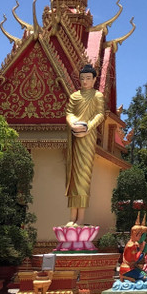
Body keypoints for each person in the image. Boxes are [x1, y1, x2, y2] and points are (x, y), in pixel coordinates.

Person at [65, 64, 106, 226]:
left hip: (87, 137)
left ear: (94, 80)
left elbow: (100, 114)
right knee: (73, 177)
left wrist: (88, 127)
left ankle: (80, 218)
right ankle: (71, 217)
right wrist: (73, 124)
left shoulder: (97, 96)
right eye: (82, 78)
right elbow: (69, 113)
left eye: (88, 78)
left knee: (83, 177)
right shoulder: (74, 96)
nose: (85, 81)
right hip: (75, 137)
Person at [118, 217, 147, 282]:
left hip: (133, 267)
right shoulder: (131, 245)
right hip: (128, 269)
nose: (140, 237)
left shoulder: (135, 244)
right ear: (134, 234)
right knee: (144, 277)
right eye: (139, 235)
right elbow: (136, 259)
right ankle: (125, 276)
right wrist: (141, 250)